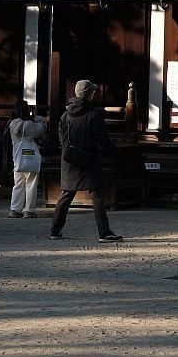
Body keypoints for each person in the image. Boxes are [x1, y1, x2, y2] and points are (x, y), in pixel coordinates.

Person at [49, 80, 122, 242]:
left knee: (67, 194)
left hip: (69, 160)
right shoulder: (93, 115)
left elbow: (62, 138)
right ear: (89, 94)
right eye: (93, 92)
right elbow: (102, 141)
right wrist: (114, 152)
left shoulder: (65, 115)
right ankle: (104, 233)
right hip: (88, 160)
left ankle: (55, 230)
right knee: (97, 195)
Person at [7, 99, 47, 218]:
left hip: (18, 158)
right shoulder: (29, 124)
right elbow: (41, 129)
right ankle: (29, 210)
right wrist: (36, 116)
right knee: (31, 183)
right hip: (30, 157)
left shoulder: (12, 124)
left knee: (18, 183)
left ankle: (15, 209)